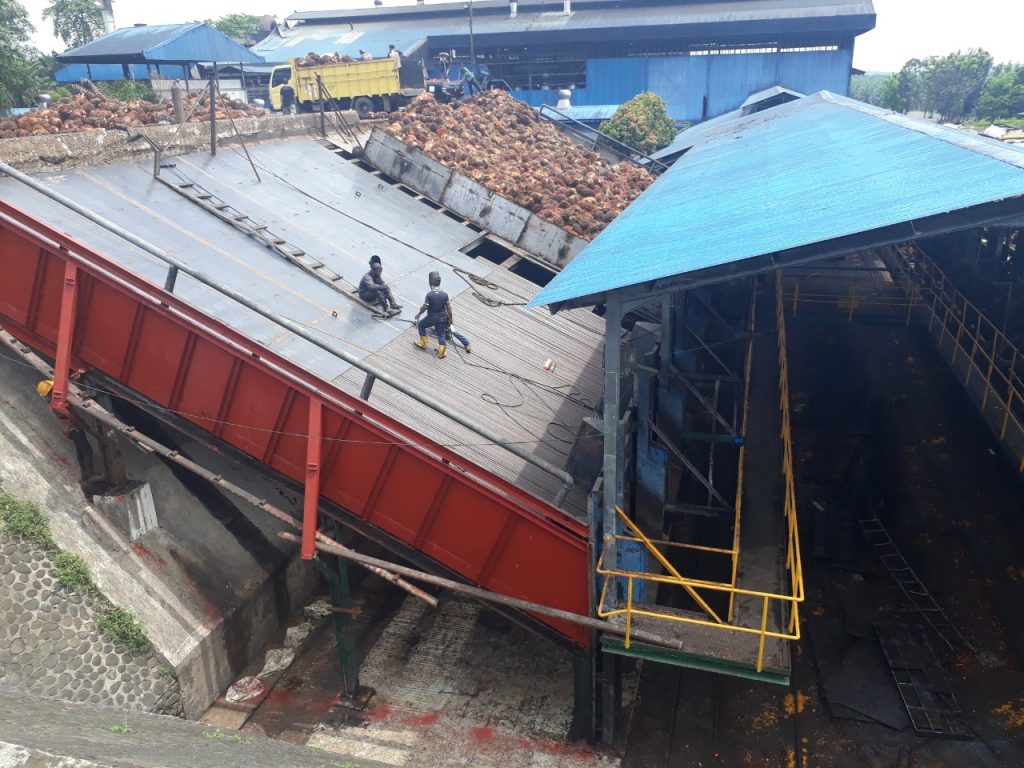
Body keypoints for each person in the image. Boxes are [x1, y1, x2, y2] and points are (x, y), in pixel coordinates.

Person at [414, 271, 452, 359]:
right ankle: (442, 352)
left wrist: (418, 314)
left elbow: (425, 307)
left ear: (430, 283)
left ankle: (423, 343)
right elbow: (449, 308)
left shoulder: (429, 295)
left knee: (421, 325)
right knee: (441, 334)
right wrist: (450, 318)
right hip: (442, 318)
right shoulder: (445, 294)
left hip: (431, 317)